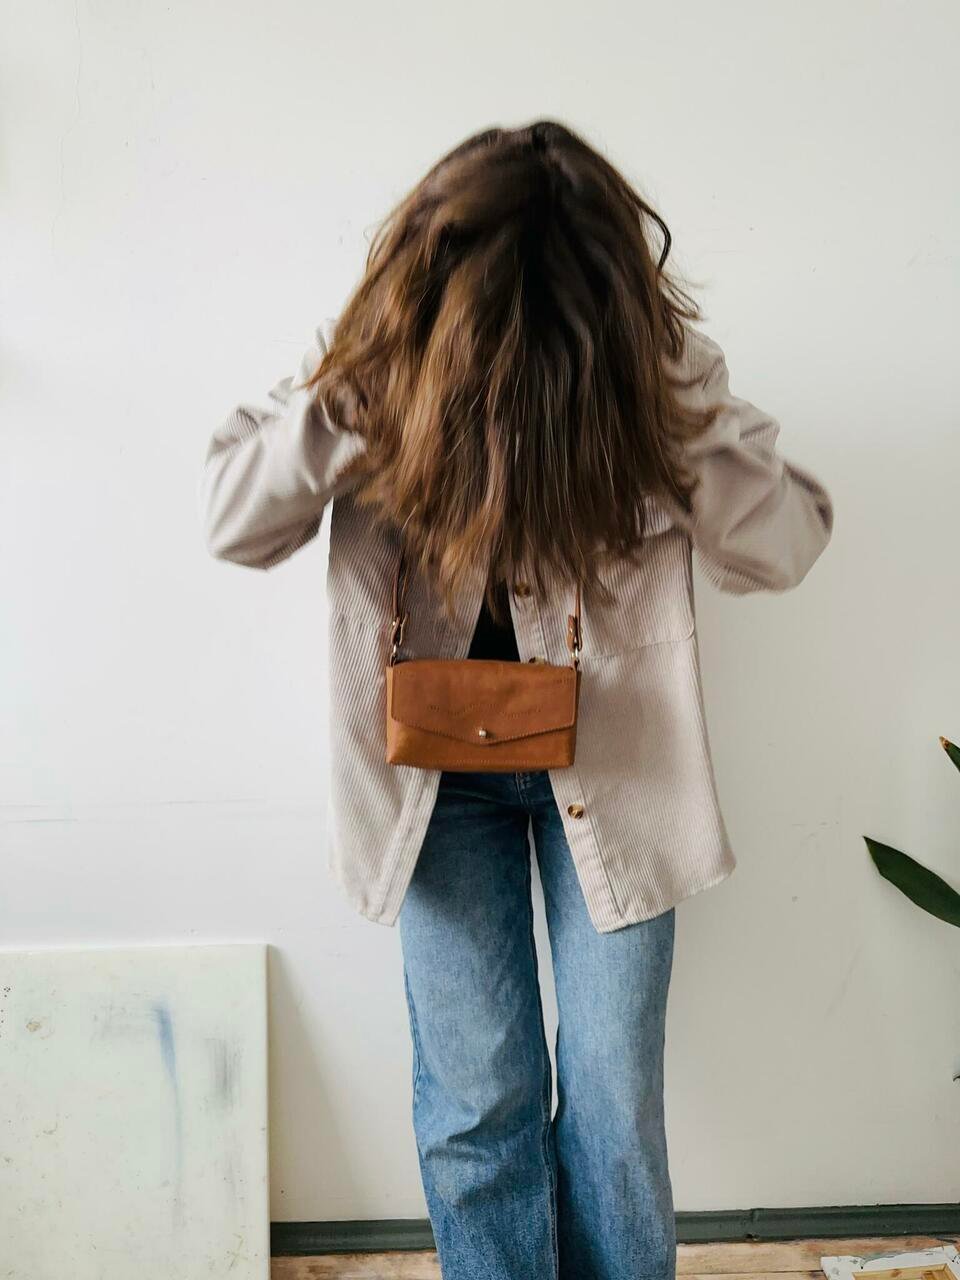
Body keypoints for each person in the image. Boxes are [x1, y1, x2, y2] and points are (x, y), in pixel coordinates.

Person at [198, 119, 833, 1280]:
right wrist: (361, 397)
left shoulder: (650, 373)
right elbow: (235, 520)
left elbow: (781, 545)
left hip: (619, 776)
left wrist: (668, 413)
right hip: (430, 789)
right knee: (475, 1094)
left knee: (611, 1102)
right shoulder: (376, 367)